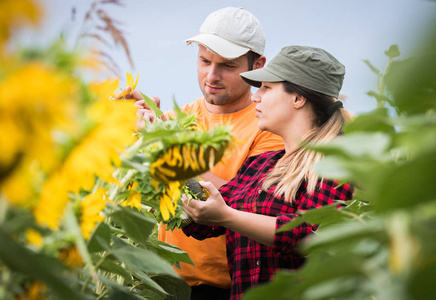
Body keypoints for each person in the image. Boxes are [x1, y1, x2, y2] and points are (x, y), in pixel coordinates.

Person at [122, 7, 284, 299]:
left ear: (257, 65)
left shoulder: (269, 129)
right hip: (162, 281)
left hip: (227, 286)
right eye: (204, 60)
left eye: (228, 65)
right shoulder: (175, 118)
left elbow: (249, 205)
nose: (212, 75)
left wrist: (168, 147)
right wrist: (124, 126)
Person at [181, 45, 355, 300]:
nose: (255, 97)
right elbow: (206, 217)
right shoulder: (260, 165)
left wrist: (228, 217)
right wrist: (155, 142)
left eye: (266, 88)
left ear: (298, 98)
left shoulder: (338, 162)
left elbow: (310, 235)